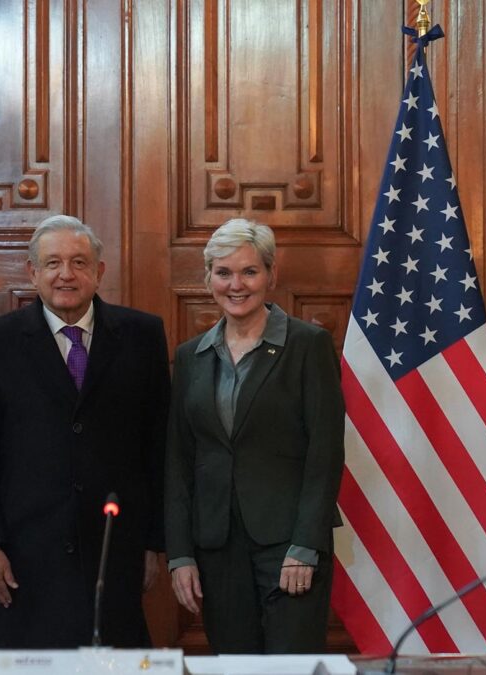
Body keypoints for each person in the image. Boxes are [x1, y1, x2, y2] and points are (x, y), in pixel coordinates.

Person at [0, 215, 170, 648]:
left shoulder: (142, 335)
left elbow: (159, 446)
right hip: (25, 557)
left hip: (114, 551)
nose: (66, 274)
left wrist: (154, 542)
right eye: (52, 263)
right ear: (33, 272)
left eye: (79, 262)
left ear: (99, 272)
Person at [165, 218, 345, 653]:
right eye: (223, 272)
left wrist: (305, 545)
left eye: (249, 271)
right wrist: (180, 555)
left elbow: (325, 453)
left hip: (289, 546)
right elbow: (178, 461)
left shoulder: (308, 345)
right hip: (216, 547)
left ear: (271, 275)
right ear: (208, 278)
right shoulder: (190, 357)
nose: (236, 284)